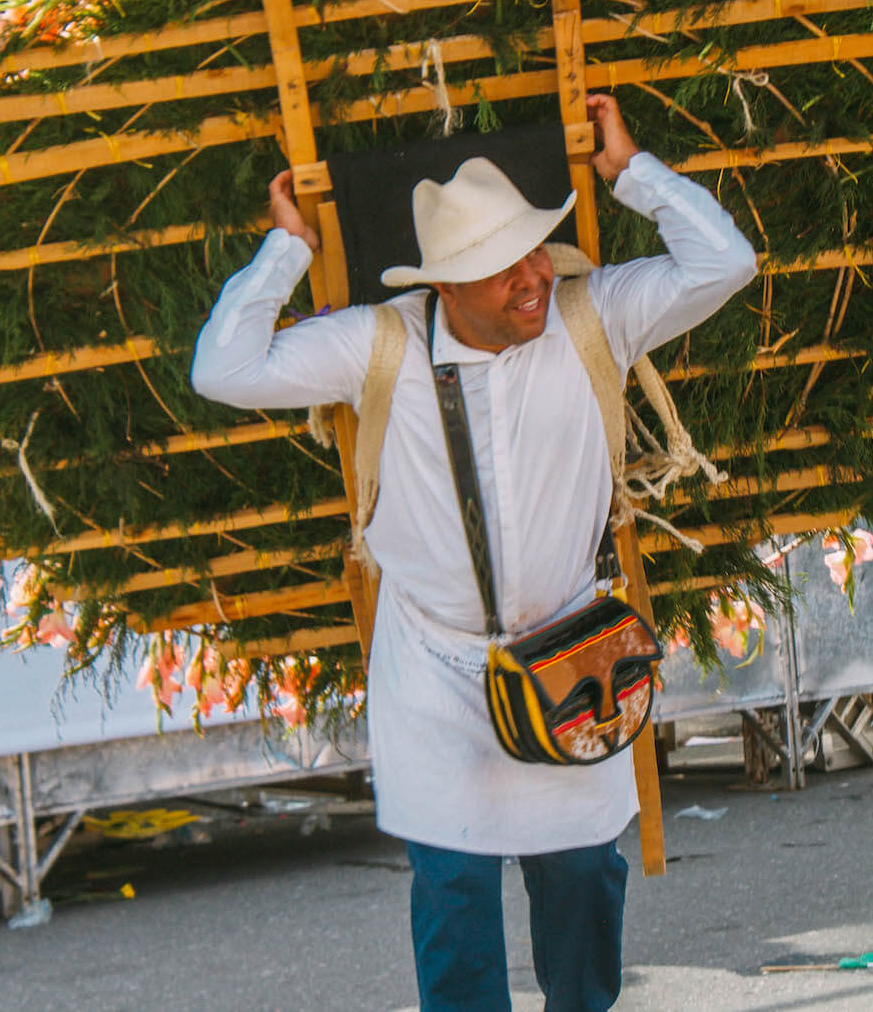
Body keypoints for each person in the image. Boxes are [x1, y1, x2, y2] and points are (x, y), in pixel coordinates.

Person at [190, 95, 756, 1012]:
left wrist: (631, 174)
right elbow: (222, 368)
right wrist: (286, 250)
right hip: (434, 669)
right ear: (443, 284)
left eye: (534, 249)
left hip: (573, 653)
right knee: (454, 896)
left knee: (581, 877)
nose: (531, 276)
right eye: (501, 267)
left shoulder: (591, 316)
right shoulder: (377, 345)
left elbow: (725, 262)